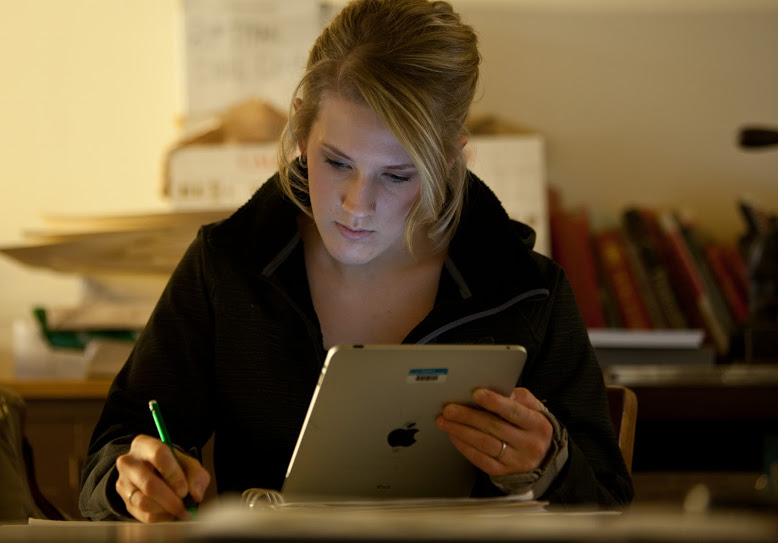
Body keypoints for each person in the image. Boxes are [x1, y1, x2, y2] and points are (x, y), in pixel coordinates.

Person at [80, 0, 633, 523]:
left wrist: (549, 464)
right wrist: (132, 481)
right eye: (336, 162)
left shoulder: (525, 292)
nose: (356, 205)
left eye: (396, 175)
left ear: (448, 160)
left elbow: (608, 505)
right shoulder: (227, 266)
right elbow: (112, 452)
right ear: (301, 128)